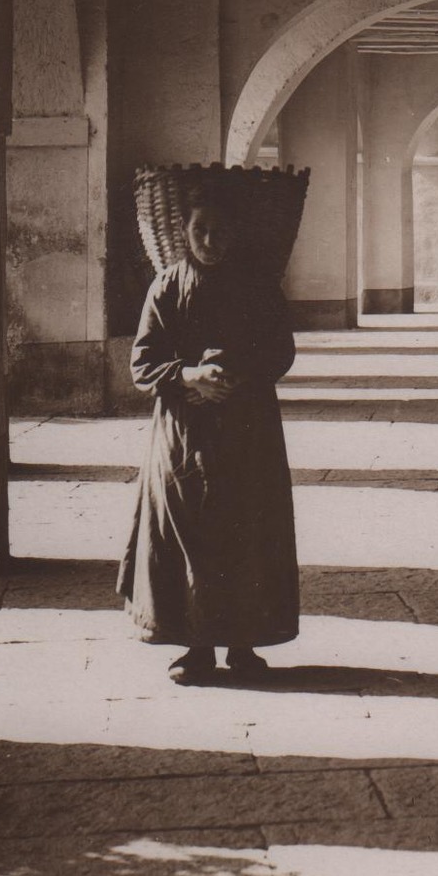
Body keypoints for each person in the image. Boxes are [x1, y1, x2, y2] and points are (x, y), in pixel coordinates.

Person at [116, 186, 300, 684]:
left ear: (235, 234)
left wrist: (238, 374)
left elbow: (281, 351)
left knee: (247, 531)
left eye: (220, 231)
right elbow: (142, 362)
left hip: (248, 430)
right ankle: (195, 646)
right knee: (188, 533)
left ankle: (244, 644)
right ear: (184, 232)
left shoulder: (260, 287)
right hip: (182, 433)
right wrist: (188, 376)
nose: (210, 240)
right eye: (200, 230)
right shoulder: (166, 287)